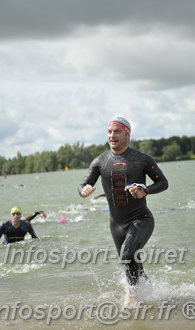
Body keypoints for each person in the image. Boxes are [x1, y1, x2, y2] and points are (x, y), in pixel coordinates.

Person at [78, 117, 169, 305]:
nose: (112, 136)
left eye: (117, 131)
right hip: (117, 224)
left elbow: (163, 182)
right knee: (132, 264)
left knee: (128, 255)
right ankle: (154, 296)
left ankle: (132, 299)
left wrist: (146, 190)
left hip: (141, 219)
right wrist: (83, 190)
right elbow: (83, 184)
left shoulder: (142, 159)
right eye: (109, 132)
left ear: (127, 134)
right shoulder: (100, 161)